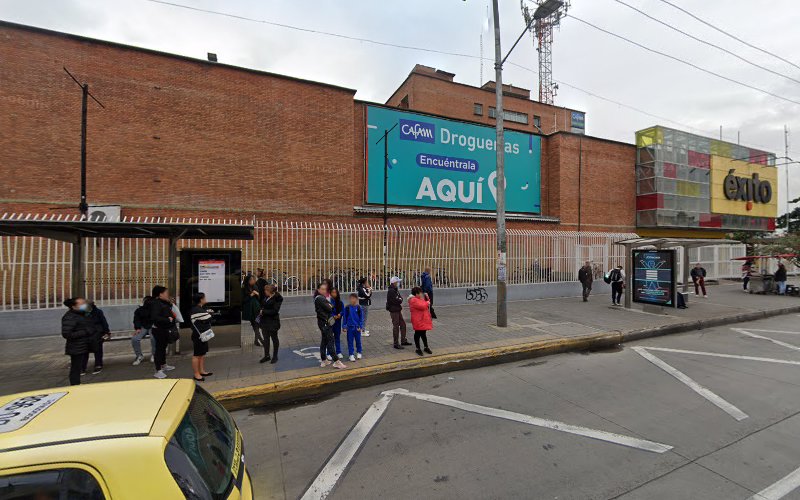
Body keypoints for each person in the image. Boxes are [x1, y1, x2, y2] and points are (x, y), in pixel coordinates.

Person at [61, 297, 94, 385]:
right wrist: (85, 331)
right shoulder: (70, 317)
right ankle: (75, 384)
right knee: (76, 368)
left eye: (85, 303)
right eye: (82, 304)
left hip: (83, 344)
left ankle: (77, 383)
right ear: (74, 306)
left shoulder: (82, 314)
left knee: (78, 366)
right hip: (76, 346)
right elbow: (67, 334)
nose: (85, 305)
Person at [315, 282, 346, 369]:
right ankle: (336, 361)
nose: (324, 291)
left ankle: (324, 360)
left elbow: (331, 307)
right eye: (322, 289)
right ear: (318, 290)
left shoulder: (321, 298)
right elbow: (330, 308)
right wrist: (329, 306)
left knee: (324, 341)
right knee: (330, 341)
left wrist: (330, 306)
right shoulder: (320, 298)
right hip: (325, 323)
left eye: (325, 289)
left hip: (323, 322)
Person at [149, 285, 176, 379]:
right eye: (166, 293)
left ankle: (164, 365)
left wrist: (170, 303)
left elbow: (166, 310)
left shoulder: (162, 302)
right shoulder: (155, 303)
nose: (168, 294)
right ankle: (158, 370)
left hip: (164, 329)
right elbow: (154, 317)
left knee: (163, 347)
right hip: (158, 329)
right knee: (159, 349)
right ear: (160, 294)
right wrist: (167, 319)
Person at [189, 292, 214, 381]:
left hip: (203, 335)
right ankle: (196, 374)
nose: (205, 299)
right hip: (198, 335)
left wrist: (209, 314)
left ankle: (201, 371)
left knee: (202, 354)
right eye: (204, 297)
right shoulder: (196, 309)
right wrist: (210, 314)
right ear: (201, 299)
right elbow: (209, 317)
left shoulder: (200, 308)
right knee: (197, 355)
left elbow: (207, 316)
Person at [81, 301, 109, 375]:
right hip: (86, 333)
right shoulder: (81, 312)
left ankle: (98, 364)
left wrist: (106, 332)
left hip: (97, 332)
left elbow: (103, 322)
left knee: (97, 348)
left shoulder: (98, 312)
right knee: (84, 350)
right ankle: (82, 367)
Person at [259, 284, 283, 364]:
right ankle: (267, 356)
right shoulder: (266, 297)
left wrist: (264, 311)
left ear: (270, 292)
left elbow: (275, 311)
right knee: (266, 339)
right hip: (264, 322)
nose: (264, 292)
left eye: (266, 291)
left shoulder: (277, 299)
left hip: (273, 322)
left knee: (274, 339)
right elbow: (263, 305)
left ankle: (275, 356)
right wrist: (261, 309)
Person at [386, 276, 411, 349]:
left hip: (397, 309)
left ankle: (403, 340)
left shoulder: (395, 289)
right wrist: (399, 299)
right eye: (397, 282)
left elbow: (400, 298)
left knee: (403, 324)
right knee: (396, 326)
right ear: (394, 282)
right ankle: (396, 343)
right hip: (394, 310)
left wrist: (399, 299)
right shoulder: (391, 291)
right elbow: (397, 300)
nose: (398, 283)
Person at [408, 286, 433, 356]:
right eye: (420, 293)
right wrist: (427, 302)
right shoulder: (413, 300)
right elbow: (422, 306)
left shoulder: (419, 298)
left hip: (422, 319)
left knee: (423, 333)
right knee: (417, 334)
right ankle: (417, 348)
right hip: (418, 320)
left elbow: (426, 303)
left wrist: (427, 298)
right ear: (416, 294)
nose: (421, 294)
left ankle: (426, 347)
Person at [132, 295, 155, 365]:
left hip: (153, 326)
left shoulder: (155, 309)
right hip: (143, 327)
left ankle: (154, 354)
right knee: (135, 339)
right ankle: (139, 356)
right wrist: (138, 328)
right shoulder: (139, 310)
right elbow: (136, 320)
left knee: (153, 337)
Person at [342, 293, 365, 362]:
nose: (352, 300)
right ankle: (351, 354)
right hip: (350, 328)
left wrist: (360, 326)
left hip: (357, 328)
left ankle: (359, 352)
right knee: (350, 342)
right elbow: (345, 318)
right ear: (349, 299)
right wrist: (344, 326)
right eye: (351, 298)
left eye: (354, 298)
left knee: (358, 341)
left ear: (356, 299)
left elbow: (361, 318)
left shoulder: (359, 308)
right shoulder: (347, 308)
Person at [242, 274, 262, 346]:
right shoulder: (244, 288)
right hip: (250, 310)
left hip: (256, 309)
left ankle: (257, 340)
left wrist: (257, 294)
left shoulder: (255, 286)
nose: (253, 280)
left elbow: (260, 298)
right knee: (255, 325)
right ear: (248, 281)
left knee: (256, 324)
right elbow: (243, 300)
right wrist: (251, 295)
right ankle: (260, 341)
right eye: (252, 279)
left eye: (254, 279)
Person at [329, 288, 344, 359]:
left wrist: (340, 314)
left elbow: (343, 310)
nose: (334, 294)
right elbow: (327, 311)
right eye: (332, 292)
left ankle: (338, 352)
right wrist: (333, 316)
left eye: (335, 292)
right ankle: (329, 353)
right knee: (330, 338)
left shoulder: (340, 302)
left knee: (337, 337)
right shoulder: (328, 302)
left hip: (338, 322)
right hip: (331, 322)